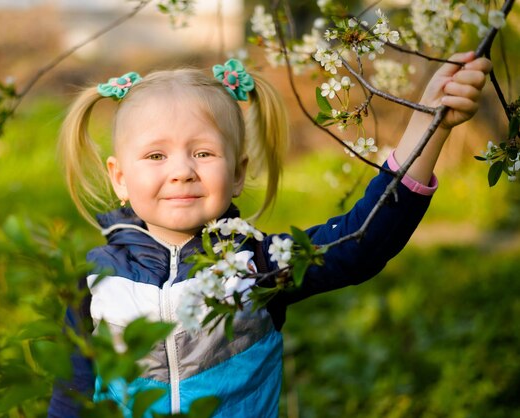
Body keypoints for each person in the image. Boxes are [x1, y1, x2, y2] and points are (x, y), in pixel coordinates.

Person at [48, 52, 492, 417]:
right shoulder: (95, 276)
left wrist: (428, 126)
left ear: (238, 173)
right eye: (156, 155)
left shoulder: (260, 264)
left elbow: (362, 241)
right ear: (120, 177)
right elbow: (73, 390)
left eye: (203, 152)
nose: (181, 171)